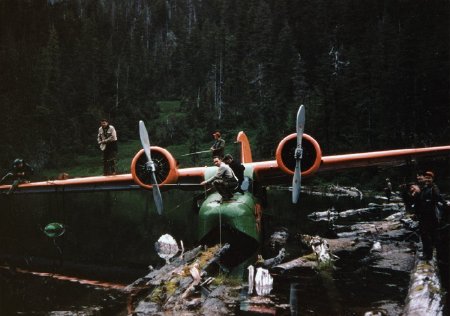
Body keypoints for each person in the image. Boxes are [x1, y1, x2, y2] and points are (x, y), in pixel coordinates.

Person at [409, 171, 447, 260]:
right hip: (423, 216)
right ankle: (428, 253)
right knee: (424, 235)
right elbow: (419, 202)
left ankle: (429, 255)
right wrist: (415, 213)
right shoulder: (423, 189)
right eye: (426, 177)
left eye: (429, 178)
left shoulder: (434, 189)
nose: (427, 179)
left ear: (432, 179)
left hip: (431, 216)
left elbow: (440, 199)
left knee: (430, 236)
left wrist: (445, 206)